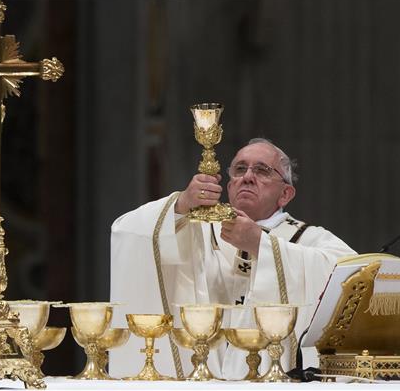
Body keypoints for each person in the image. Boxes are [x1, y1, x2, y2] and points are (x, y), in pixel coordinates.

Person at [109, 138, 356, 379]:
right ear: (229, 187)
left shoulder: (307, 238)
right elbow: (126, 232)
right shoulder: (197, 231)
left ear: (285, 194)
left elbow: (353, 275)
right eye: (240, 169)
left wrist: (261, 244)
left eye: (262, 170)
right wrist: (182, 203)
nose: (248, 176)